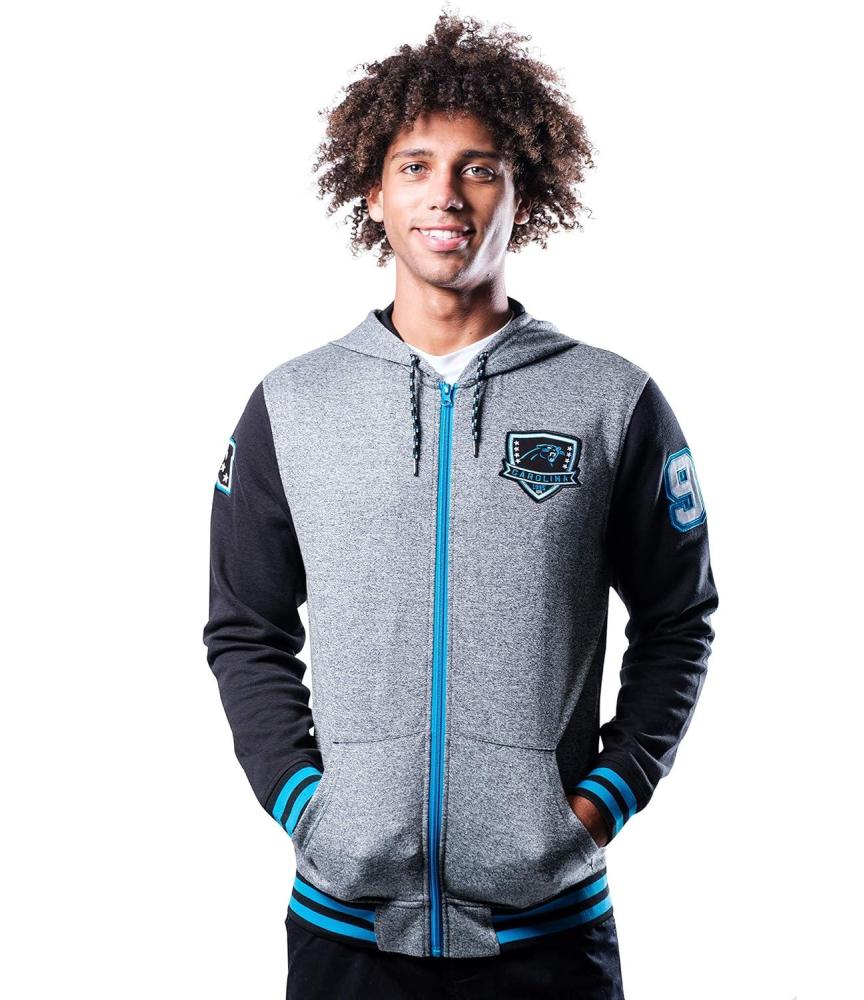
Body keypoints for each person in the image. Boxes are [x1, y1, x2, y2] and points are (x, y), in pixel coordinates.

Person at [203, 10, 719, 999]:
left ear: (524, 193)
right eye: (416, 166)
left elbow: (678, 618)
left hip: (550, 935)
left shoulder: (610, 401)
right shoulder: (292, 405)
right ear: (373, 191)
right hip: (344, 933)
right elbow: (244, 627)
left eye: (479, 168)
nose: (446, 194)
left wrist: (601, 802)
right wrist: (307, 804)